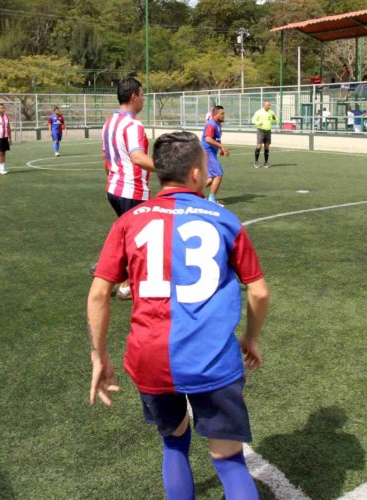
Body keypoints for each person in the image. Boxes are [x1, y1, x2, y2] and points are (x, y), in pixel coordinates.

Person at [88, 130, 270, 500]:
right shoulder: (223, 219)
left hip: (150, 356)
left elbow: (99, 293)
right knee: (229, 461)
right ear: (196, 174)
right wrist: (250, 339)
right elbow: (260, 290)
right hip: (212, 357)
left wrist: (99, 355)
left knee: (173, 444)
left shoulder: (129, 221)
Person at [101, 77, 158, 299]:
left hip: (114, 189)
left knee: (128, 236)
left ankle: (119, 277)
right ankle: (125, 283)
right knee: (141, 239)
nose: (144, 98)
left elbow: (105, 157)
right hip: (132, 191)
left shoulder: (109, 122)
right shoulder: (134, 124)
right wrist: (170, 168)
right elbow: (137, 157)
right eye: (142, 94)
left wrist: (112, 180)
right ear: (133, 96)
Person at [201, 105, 230, 205]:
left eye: (224, 113)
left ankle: (192, 193)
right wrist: (222, 146)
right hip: (207, 152)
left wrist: (220, 148)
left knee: (212, 178)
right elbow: (208, 139)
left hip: (211, 152)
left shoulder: (218, 124)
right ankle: (212, 200)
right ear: (215, 114)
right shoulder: (211, 124)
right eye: (222, 113)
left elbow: (216, 138)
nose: (224, 115)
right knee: (218, 174)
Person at [250, 101, 277, 168]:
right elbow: (253, 120)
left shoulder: (271, 112)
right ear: (263, 105)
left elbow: (275, 121)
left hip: (268, 131)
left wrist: (274, 118)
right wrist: (258, 123)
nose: (268, 106)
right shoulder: (259, 112)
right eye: (267, 105)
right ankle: (256, 162)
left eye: (269, 105)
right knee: (259, 146)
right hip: (260, 130)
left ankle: (266, 162)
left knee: (267, 146)